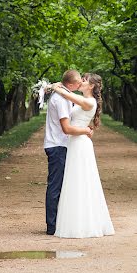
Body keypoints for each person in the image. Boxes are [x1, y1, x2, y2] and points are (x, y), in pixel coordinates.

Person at [50, 73, 115, 239]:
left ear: (91, 86)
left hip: (80, 145)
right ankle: (74, 220)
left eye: (84, 81)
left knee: (82, 181)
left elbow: (66, 94)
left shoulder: (88, 102)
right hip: (74, 143)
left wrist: (55, 87)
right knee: (74, 181)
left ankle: (84, 223)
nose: (81, 82)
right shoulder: (82, 99)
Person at [44, 69, 93, 236]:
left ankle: (59, 222)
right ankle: (52, 226)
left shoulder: (64, 95)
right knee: (55, 186)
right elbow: (66, 128)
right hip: (57, 146)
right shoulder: (61, 99)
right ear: (71, 85)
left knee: (61, 186)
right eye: (78, 82)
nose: (80, 84)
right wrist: (85, 130)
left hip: (60, 145)